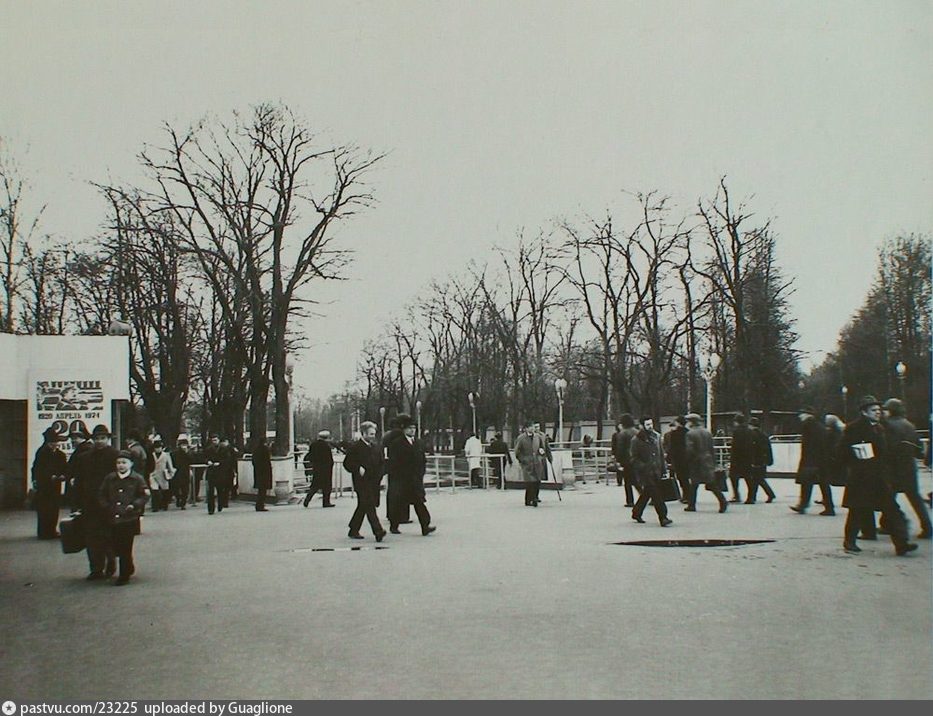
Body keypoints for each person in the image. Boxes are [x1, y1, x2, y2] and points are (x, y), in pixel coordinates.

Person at [839, 396, 915, 556]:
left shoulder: (884, 427)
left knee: (892, 510)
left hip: (880, 477)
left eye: (879, 410)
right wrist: (856, 455)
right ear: (864, 412)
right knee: (858, 510)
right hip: (862, 477)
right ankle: (849, 541)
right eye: (874, 410)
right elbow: (841, 451)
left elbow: (890, 450)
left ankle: (902, 544)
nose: (878, 413)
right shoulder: (854, 428)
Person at [882, 398, 932, 539]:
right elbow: (918, 448)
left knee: (888, 498)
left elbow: (888, 447)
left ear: (890, 410)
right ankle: (927, 526)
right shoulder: (909, 425)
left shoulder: (889, 425)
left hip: (894, 467)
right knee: (915, 498)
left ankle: (888, 524)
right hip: (909, 466)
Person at [75, 424, 119, 579]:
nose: (100, 441)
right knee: (91, 536)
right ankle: (96, 568)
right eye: (97, 438)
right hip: (90, 502)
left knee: (107, 534)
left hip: (109, 502)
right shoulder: (85, 458)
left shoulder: (115, 456)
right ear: (93, 440)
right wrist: (77, 503)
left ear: (108, 439)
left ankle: (111, 560)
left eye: (103, 438)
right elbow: (78, 481)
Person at [99, 450, 149, 585]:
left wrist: (135, 505)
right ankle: (128, 565)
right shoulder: (110, 478)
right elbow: (102, 494)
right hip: (113, 517)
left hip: (129, 518)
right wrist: (106, 506)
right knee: (116, 545)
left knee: (126, 545)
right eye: (118, 463)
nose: (121, 466)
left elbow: (144, 495)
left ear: (131, 464)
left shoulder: (137, 478)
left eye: (124, 463)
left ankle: (124, 574)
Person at [385, 413, 435, 535]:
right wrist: (397, 475)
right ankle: (394, 525)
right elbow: (393, 462)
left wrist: (420, 474)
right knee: (397, 502)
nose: (412, 430)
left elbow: (422, 460)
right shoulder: (397, 443)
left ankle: (425, 525)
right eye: (410, 428)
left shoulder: (418, 443)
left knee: (419, 502)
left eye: (414, 428)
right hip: (401, 478)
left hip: (414, 478)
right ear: (404, 429)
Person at [343, 421, 387, 541]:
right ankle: (378, 531)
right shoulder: (355, 447)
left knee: (363, 506)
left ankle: (353, 528)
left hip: (374, 481)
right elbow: (347, 464)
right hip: (361, 482)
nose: (373, 436)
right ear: (363, 434)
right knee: (369, 505)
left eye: (374, 434)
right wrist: (357, 468)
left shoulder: (376, 447)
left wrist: (381, 473)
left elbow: (382, 462)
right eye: (371, 434)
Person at [790, 407, 835, 515]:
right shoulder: (818, 426)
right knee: (822, 484)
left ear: (808, 415)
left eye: (801, 414)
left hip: (811, 460)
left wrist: (808, 461)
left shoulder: (809, 425)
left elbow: (810, 445)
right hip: (820, 460)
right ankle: (828, 507)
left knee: (807, 483)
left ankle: (804, 505)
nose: (799, 417)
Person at [630, 418, 673, 527]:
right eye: (647, 424)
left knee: (647, 493)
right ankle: (663, 517)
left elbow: (661, 454)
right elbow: (634, 458)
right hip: (645, 472)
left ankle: (636, 512)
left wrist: (664, 469)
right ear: (642, 425)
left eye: (651, 424)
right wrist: (643, 466)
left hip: (656, 470)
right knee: (656, 495)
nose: (650, 426)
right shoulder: (636, 440)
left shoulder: (657, 436)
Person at [684, 413, 727, 513]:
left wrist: (688, 460)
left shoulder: (690, 434)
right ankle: (722, 501)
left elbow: (689, 450)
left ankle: (691, 505)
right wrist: (714, 461)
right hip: (707, 460)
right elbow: (712, 448)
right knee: (710, 483)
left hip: (696, 462)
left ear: (691, 422)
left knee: (694, 484)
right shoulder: (707, 432)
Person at [31, 427, 68, 539]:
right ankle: (43, 532)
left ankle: (52, 530)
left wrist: (63, 475)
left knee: (54, 508)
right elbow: (37, 469)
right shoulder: (41, 453)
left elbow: (65, 467)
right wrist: (47, 477)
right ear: (47, 442)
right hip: (44, 486)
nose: (54, 445)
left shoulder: (61, 454)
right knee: (44, 509)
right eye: (52, 442)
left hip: (56, 485)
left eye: (56, 442)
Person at [514, 419, 551, 507]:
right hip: (527, 462)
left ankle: (534, 497)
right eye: (530, 427)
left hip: (537, 462)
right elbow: (517, 451)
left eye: (533, 427)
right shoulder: (521, 438)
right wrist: (522, 460)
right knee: (530, 481)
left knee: (537, 481)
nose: (532, 429)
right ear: (526, 429)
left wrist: (542, 454)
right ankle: (529, 499)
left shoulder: (538, 437)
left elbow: (542, 447)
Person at [382, 417, 411, 525]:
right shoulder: (401, 436)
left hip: (391, 466)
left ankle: (391, 514)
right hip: (402, 467)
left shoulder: (387, 436)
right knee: (403, 492)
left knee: (392, 491)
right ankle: (403, 516)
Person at [745, 417, 776, 503]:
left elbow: (751, 448)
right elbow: (768, 449)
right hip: (763, 460)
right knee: (758, 479)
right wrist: (769, 460)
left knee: (756, 480)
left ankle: (754, 497)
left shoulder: (752, 435)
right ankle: (753, 497)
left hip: (755, 460)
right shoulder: (764, 435)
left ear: (751, 425)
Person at [303, 430, 336, 508]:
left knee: (314, 485)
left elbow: (310, 456)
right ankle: (326, 502)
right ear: (326, 437)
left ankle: (307, 500)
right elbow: (329, 458)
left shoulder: (313, 445)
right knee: (327, 487)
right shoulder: (326, 446)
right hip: (326, 469)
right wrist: (330, 465)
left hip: (317, 468)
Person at [64, 425, 93, 510]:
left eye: (75, 438)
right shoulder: (81, 449)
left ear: (82, 438)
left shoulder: (84, 450)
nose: (73, 441)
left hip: (80, 488)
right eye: (72, 438)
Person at [612, 414, 639, 507]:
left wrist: (618, 460)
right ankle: (645, 494)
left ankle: (630, 500)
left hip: (626, 460)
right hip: (637, 458)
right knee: (636, 479)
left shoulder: (622, 434)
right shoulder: (637, 432)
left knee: (628, 481)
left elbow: (620, 448)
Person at [728, 413, 753, 503]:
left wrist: (731, 457)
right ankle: (751, 497)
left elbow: (735, 446)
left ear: (736, 422)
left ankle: (736, 495)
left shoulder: (737, 431)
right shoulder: (749, 431)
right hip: (747, 458)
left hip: (737, 459)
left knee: (733, 477)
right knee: (748, 478)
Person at [203, 435, 230, 514]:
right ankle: (211, 509)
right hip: (211, 472)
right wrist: (208, 461)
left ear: (218, 440)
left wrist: (220, 463)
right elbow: (205, 457)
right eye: (213, 440)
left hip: (220, 472)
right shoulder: (208, 449)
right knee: (210, 491)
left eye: (216, 440)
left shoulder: (224, 449)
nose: (214, 442)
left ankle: (220, 504)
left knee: (220, 490)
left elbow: (227, 459)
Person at [666, 416, 690, 503]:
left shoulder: (674, 433)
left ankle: (685, 495)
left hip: (678, 458)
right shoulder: (688, 432)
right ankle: (688, 495)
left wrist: (668, 458)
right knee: (686, 477)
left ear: (678, 423)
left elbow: (672, 447)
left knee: (681, 477)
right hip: (687, 457)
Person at [149, 440, 175, 512]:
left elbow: (170, 465)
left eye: (159, 447)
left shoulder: (166, 455)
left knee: (165, 491)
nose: (158, 449)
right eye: (156, 447)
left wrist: (171, 473)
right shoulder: (152, 455)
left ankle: (164, 505)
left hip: (163, 474)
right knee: (155, 491)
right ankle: (155, 507)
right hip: (153, 474)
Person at [251, 436, 272, 512]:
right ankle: (260, 505)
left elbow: (253, 461)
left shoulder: (256, 450)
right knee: (263, 490)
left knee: (260, 490)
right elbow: (267, 461)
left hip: (258, 472)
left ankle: (259, 505)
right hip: (264, 473)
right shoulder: (265, 450)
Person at [171, 438, 192, 509]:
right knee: (176, 488)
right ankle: (178, 499)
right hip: (177, 472)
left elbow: (191, 460)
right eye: (183, 445)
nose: (184, 447)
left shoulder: (188, 453)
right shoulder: (175, 453)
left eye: (185, 445)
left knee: (185, 489)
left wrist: (187, 453)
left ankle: (183, 503)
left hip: (185, 472)